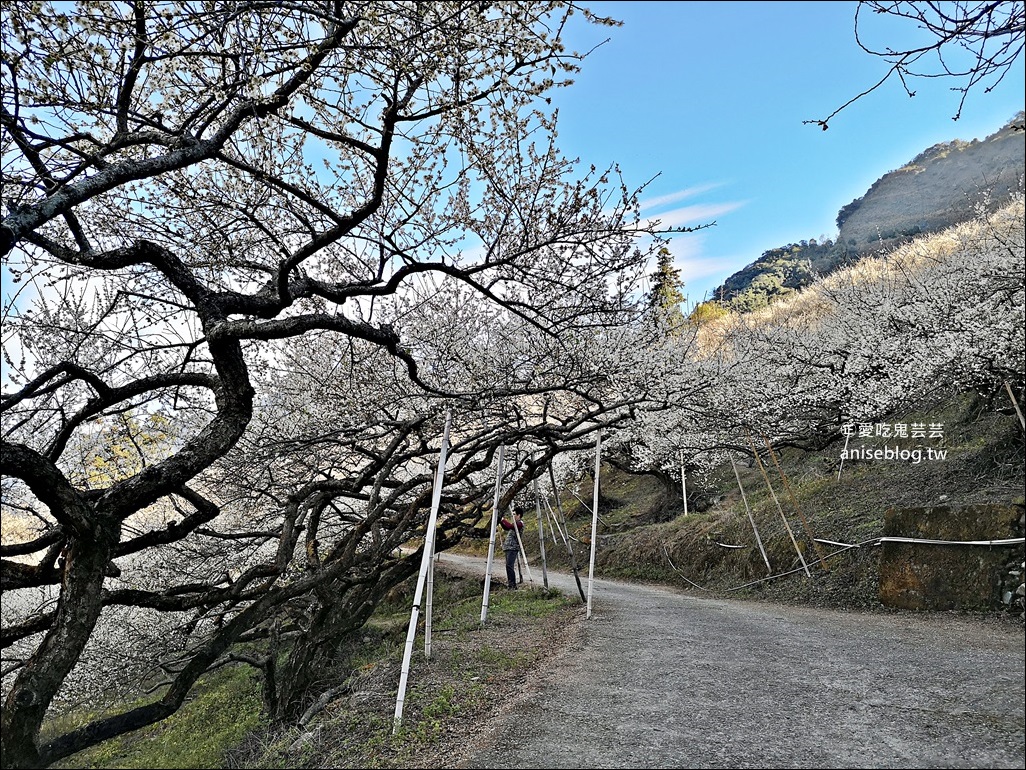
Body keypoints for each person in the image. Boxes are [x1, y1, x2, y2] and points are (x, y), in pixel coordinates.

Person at [498, 508, 525, 589]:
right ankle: (511, 584)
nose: (512, 516)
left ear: (518, 515)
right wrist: (501, 521)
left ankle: (512, 585)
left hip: (513, 548)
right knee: (508, 566)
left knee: (509, 566)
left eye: (514, 514)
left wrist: (502, 519)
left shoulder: (520, 524)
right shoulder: (515, 524)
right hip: (509, 547)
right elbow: (506, 527)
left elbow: (509, 526)